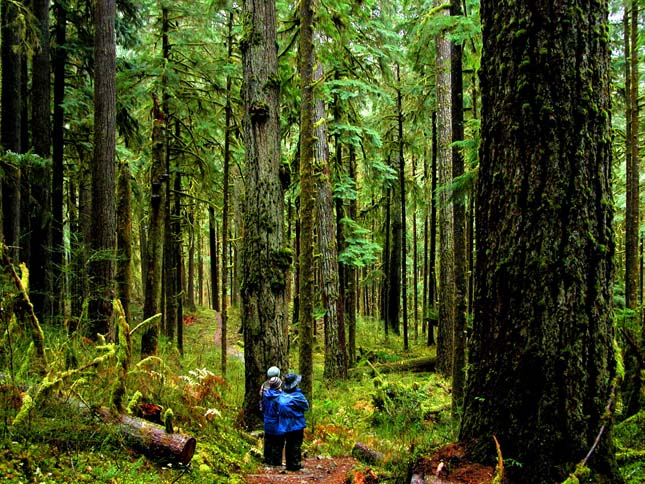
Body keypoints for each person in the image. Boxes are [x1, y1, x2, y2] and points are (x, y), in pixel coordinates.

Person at [277, 372, 309, 471]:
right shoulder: (298, 396)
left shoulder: (282, 395)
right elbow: (306, 406)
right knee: (296, 443)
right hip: (296, 424)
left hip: (284, 424)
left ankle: (289, 464)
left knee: (289, 443)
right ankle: (295, 464)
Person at [261, 376, 285, 466]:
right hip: (278, 424)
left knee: (268, 441)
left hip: (267, 422)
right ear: (278, 386)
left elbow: (262, 408)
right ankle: (276, 462)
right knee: (278, 443)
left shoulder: (265, 396)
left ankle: (267, 460)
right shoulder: (280, 398)